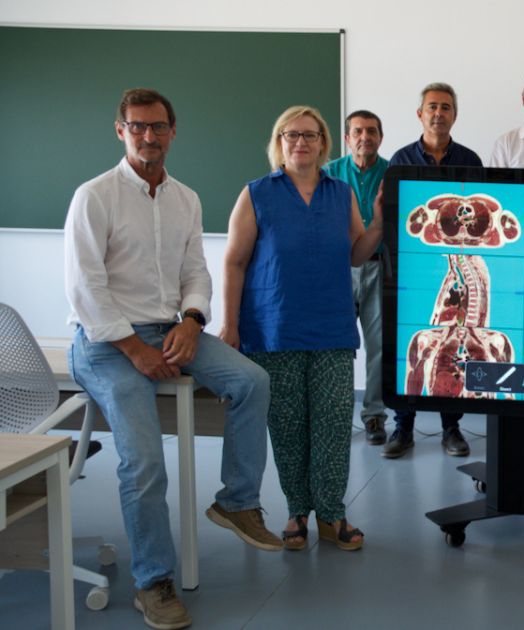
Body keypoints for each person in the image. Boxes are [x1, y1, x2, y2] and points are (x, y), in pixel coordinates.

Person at [65, 87, 281, 630]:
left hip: (171, 329)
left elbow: (196, 272)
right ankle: (153, 582)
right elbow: (85, 288)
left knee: (252, 380)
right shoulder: (94, 196)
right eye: (137, 126)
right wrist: (133, 348)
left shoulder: (186, 198)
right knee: (144, 460)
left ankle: (236, 501)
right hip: (105, 343)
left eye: (158, 126)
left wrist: (191, 320)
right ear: (121, 131)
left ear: (173, 131)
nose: (148, 136)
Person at [221, 105, 382, 554]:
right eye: (291, 135)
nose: (301, 143)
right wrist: (229, 325)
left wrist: (381, 222)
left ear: (323, 143)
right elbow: (233, 262)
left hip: (332, 327)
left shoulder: (341, 193)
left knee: (332, 424)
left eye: (310, 135)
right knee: (288, 426)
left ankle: (331, 514)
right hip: (273, 329)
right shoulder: (256, 194)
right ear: (279, 142)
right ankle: (297, 511)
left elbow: (356, 252)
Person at [385, 82, 484, 459]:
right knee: (410, 341)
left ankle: (451, 428)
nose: (438, 113)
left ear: (454, 115)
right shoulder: (401, 158)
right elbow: (395, 214)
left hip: (461, 263)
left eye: (445, 107)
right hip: (412, 265)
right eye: (432, 107)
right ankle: (403, 428)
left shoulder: (471, 160)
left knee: (455, 340)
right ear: (420, 114)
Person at [323, 110, 390, 447]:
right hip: (338, 270)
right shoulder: (328, 174)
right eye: (358, 131)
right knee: (339, 346)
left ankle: (374, 414)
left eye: (372, 131)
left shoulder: (393, 173)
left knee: (378, 345)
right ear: (347, 137)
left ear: (381, 136)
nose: (365, 137)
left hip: (379, 266)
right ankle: (337, 414)